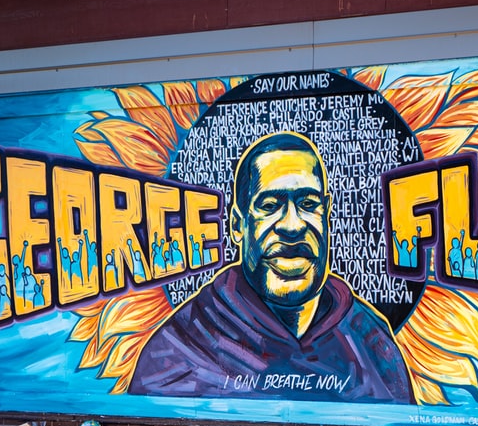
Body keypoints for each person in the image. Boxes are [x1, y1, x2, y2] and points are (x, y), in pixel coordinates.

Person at [129, 132, 414, 403]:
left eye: (307, 203)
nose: (293, 225)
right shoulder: (182, 346)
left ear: (327, 215)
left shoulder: (370, 341)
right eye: (269, 205)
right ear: (238, 225)